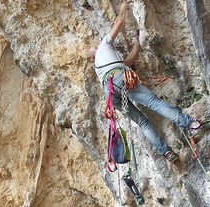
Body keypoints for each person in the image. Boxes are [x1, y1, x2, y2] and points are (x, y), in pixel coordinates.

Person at [89, 1, 209, 165]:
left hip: (110, 91)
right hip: (118, 78)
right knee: (154, 103)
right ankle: (191, 124)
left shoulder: (101, 64)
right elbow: (119, 22)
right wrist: (124, 8)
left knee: (141, 121)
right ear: (96, 48)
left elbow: (128, 61)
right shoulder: (102, 46)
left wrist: (138, 42)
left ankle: (166, 152)